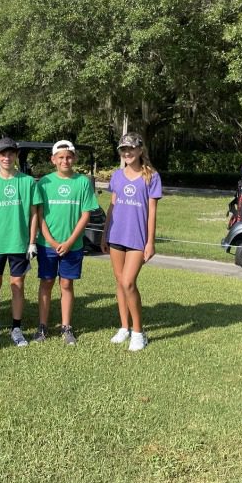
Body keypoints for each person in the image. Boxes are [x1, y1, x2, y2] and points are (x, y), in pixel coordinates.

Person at [34, 140, 100, 345]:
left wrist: (71, 241)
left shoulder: (82, 182)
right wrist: (52, 241)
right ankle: (42, 327)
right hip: (47, 245)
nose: (65, 160)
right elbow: (39, 215)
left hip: (74, 245)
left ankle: (66, 327)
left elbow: (86, 215)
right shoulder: (44, 183)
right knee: (46, 283)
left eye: (69, 156)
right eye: (61, 157)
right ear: (53, 159)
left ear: (75, 159)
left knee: (66, 283)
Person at [101, 133, 162, 351]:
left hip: (137, 238)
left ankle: (138, 332)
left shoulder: (151, 177)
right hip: (116, 235)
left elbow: (152, 212)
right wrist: (104, 233)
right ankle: (124, 327)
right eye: (123, 150)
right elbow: (113, 206)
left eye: (131, 149)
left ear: (139, 150)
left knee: (128, 282)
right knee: (119, 282)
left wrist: (150, 242)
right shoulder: (117, 176)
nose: (127, 153)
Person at [0, 138, 42, 347]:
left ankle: (16, 327)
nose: (7, 158)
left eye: (11, 154)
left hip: (19, 243)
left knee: (17, 285)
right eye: (3, 154)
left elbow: (34, 214)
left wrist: (32, 242)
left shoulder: (27, 182)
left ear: (16, 156)